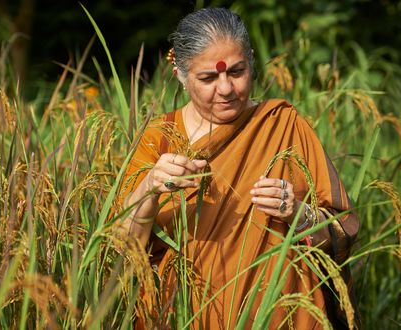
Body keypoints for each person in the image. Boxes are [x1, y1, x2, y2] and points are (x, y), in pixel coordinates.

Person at [119, 7, 359, 329]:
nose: (226, 88)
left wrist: (297, 212)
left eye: (236, 71)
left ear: (251, 63)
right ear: (180, 74)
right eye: (208, 78)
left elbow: (342, 229)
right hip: (182, 316)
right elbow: (121, 250)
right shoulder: (159, 140)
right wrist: (149, 187)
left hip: (282, 315)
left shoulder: (283, 125)